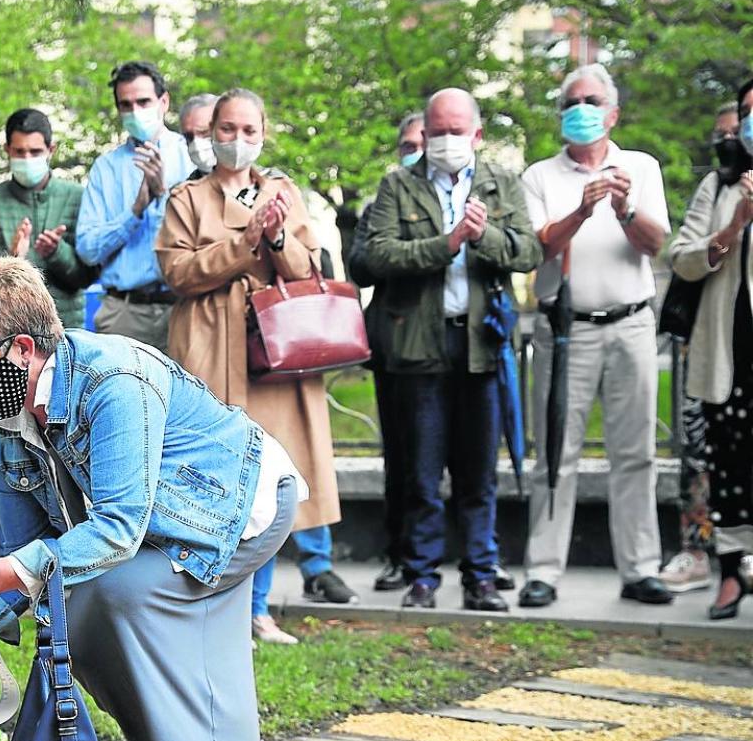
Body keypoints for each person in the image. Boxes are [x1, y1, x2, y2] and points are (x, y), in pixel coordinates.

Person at [0, 257, 296, 741]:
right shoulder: (4, 427)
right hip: (155, 524)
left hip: (235, 507)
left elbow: (116, 530)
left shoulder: (114, 380)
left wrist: (1, 578)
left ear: (23, 348)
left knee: (115, 593)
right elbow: (19, 556)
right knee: (78, 606)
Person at [156, 88, 356, 646]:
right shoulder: (187, 198)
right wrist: (244, 244)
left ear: (264, 133)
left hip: (272, 356)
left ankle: (260, 609)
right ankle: (213, 606)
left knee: (271, 477)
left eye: (248, 130)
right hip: (208, 350)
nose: (237, 140)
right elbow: (179, 273)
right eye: (226, 129)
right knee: (215, 478)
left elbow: (307, 267)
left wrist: (274, 235)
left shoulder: (283, 192)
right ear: (208, 132)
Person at [363, 88, 541, 612]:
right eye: (436, 131)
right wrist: (447, 243)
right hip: (420, 343)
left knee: (478, 470)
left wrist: (482, 237)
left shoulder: (502, 183)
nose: (444, 141)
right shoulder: (398, 185)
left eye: (455, 131)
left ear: (477, 135)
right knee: (421, 471)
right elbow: (376, 255)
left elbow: (529, 251)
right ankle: (421, 577)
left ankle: (481, 576)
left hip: (481, 344)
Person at [519, 64, 673, 609]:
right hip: (565, 330)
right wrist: (583, 210)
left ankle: (640, 568)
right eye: (570, 101)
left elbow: (657, 245)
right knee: (555, 452)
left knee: (636, 453)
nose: (579, 110)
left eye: (591, 100)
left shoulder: (641, 166)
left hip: (630, 322)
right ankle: (542, 570)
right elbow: (535, 248)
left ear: (613, 113)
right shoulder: (540, 175)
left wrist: (625, 207)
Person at [668, 79, 753, 619]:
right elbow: (683, 258)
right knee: (730, 467)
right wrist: (734, 224)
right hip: (730, 348)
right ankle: (729, 574)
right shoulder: (717, 186)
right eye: (746, 111)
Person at [346, 112, 423, 592]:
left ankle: (477, 560)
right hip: (397, 346)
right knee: (402, 458)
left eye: (425, 141)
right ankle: (401, 553)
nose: (416, 151)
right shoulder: (383, 201)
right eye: (408, 144)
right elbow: (362, 264)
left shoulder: (473, 198)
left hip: (464, 349)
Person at [76, 61, 193, 352]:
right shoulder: (106, 167)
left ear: (163, 102)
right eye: (125, 105)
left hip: (183, 307)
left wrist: (164, 196)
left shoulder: (192, 156)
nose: (135, 111)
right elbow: (88, 249)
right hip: (124, 312)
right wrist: (136, 211)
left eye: (143, 101)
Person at [0, 108, 96, 328]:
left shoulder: (77, 197)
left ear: (51, 149)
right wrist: (13, 260)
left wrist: (57, 252)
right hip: (7, 329)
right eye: (19, 152)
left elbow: (85, 277)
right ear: (7, 150)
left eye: (35, 152)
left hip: (67, 328)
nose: (27, 159)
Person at [179, 93, 219, 180]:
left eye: (204, 133)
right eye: (189, 137)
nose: (196, 145)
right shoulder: (183, 192)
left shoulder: (254, 185)